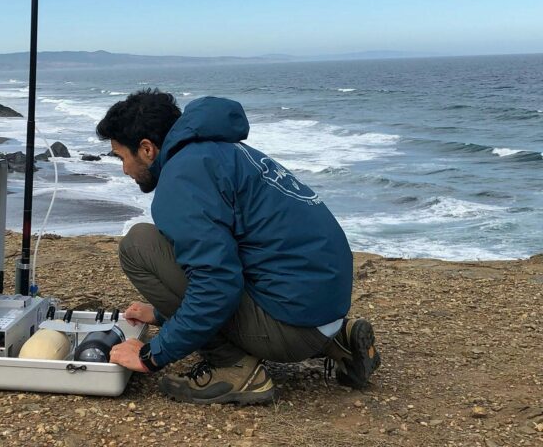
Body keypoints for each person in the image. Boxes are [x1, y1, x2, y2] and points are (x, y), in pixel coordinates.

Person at [98, 89, 380, 405]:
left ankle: (233, 368)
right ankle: (337, 340)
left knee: (139, 245)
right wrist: (165, 315)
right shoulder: (224, 153)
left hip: (294, 324)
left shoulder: (182, 177)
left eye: (122, 157)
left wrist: (153, 354)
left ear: (147, 149)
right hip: (323, 306)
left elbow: (216, 284)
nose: (124, 170)